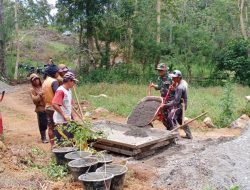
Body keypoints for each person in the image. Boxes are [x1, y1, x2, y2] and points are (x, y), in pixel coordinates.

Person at [161, 70, 193, 139]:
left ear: (179, 77)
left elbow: (175, 101)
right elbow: (179, 94)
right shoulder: (180, 84)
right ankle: (189, 135)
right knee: (180, 119)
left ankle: (176, 136)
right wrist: (174, 90)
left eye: (174, 78)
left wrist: (165, 105)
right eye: (172, 77)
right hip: (183, 104)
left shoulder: (180, 87)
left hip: (179, 105)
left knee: (171, 118)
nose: (172, 79)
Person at [52, 72, 77, 141]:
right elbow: (54, 104)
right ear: (69, 81)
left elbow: (70, 105)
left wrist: (73, 117)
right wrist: (64, 115)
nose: (74, 83)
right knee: (62, 141)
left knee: (69, 140)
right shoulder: (61, 91)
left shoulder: (69, 91)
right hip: (60, 121)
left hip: (67, 120)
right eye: (73, 81)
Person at [42, 64, 59, 146]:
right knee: (59, 126)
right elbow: (57, 94)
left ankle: (52, 145)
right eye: (57, 72)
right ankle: (60, 145)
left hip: (47, 107)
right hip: (55, 108)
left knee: (50, 127)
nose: (58, 74)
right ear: (54, 72)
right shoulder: (54, 81)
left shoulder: (44, 82)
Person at [29, 73, 48, 143]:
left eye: (37, 79)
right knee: (42, 123)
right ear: (31, 82)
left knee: (50, 122)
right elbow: (34, 100)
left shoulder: (43, 86)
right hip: (40, 108)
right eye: (34, 80)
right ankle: (43, 138)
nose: (36, 81)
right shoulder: (32, 90)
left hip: (47, 106)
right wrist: (39, 95)